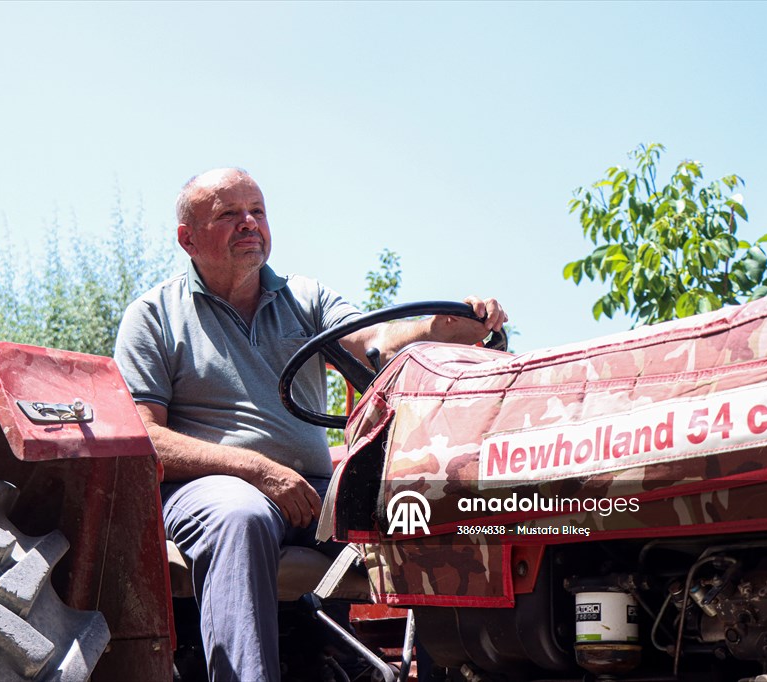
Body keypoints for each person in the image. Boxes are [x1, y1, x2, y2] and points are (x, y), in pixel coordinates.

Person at [114, 168, 507, 681]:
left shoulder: (305, 298)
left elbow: (376, 341)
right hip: (210, 491)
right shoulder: (154, 315)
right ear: (188, 237)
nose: (249, 223)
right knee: (241, 516)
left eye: (257, 211)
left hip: (314, 493)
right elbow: (146, 439)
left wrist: (442, 327)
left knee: (429, 509)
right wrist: (254, 470)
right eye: (229, 214)